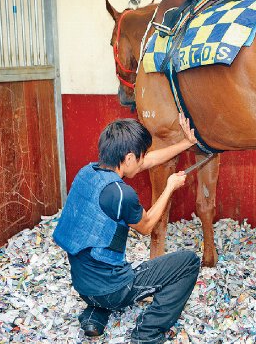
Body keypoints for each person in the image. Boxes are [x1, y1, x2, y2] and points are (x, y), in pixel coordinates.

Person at [53, 114, 200, 344]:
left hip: (81, 285)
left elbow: (149, 160)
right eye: (140, 158)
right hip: (113, 290)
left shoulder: (87, 173)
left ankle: (94, 315)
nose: (143, 163)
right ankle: (147, 333)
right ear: (129, 157)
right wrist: (170, 187)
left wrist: (186, 143)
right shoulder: (122, 194)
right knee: (189, 261)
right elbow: (148, 225)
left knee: (101, 259)